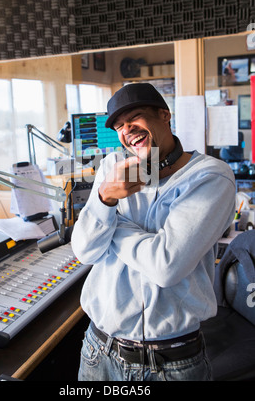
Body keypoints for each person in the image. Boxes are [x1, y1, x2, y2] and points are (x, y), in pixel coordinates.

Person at [71, 83, 236, 381]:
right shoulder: (112, 166)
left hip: (170, 363)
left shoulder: (210, 176)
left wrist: (112, 223)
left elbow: (166, 265)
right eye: (119, 125)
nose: (127, 129)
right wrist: (104, 198)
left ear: (164, 115)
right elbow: (85, 251)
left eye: (135, 117)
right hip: (99, 350)